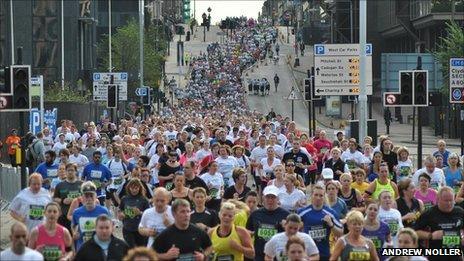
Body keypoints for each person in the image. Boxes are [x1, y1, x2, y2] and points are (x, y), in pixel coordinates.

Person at [414, 186, 464, 261]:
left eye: (451, 200)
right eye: (446, 201)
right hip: (437, 255)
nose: (449, 203)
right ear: (438, 200)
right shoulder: (430, 213)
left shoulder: (460, 211)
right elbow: (414, 232)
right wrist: (430, 235)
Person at [298, 184, 343, 260]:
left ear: (324, 196)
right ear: (312, 196)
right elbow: (291, 229)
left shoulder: (331, 213)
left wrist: (331, 225)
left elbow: (340, 233)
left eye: (321, 195)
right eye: (316, 195)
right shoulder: (302, 212)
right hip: (308, 254)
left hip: (324, 253)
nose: (318, 198)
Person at [246, 185, 290, 261]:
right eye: (268, 197)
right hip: (259, 255)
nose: (270, 200)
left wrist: (287, 227)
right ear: (263, 198)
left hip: (279, 256)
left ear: (278, 199)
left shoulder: (286, 215)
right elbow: (248, 232)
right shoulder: (255, 214)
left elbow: (294, 235)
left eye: (273, 197)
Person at [72, 182, 110, 250]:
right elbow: (73, 225)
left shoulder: (104, 211)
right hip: (82, 248)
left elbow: (110, 229)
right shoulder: (76, 212)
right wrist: (74, 232)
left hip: (99, 248)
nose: (89, 199)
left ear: (95, 196)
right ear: (82, 197)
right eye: (86, 196)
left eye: (91, 196)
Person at [118, 178, 150, 248]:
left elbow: (149, 214)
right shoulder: (124, 199)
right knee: (131, 249)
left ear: (140, 188)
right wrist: (120, 214)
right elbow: (120, 210)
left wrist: (140, 213)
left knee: (141, 250)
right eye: (132, 188)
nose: (134, 190)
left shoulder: (144, 199)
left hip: (140, 229)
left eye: (136, 188)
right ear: (129, 188)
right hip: (127, 229)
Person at [53, 163, 83, 231]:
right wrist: (62, 200)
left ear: (76, 172)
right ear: (65, 172)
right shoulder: (60, 185)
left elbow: (87, 197)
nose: (70, 172)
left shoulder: (82, 184)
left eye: (72, 170)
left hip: (79, 216)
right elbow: (54, 198)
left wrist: (79, 199)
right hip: (64, 216)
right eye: (68, 170)